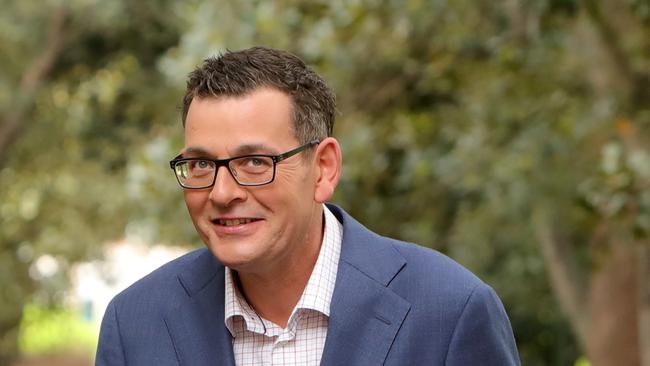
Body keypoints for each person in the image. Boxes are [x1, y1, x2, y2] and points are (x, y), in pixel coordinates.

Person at [96, 46, 520, 366]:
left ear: (324, 169)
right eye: (202, 164)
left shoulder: (451, 311)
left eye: (255, 162)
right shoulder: (136, 324)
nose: (222, 192)